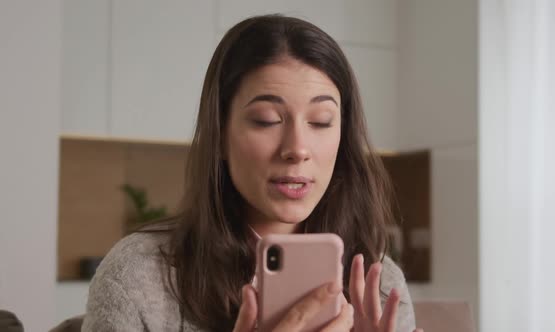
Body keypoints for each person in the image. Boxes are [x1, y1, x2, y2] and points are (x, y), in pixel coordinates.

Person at [82, 14, 423, 332]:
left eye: (320, 122)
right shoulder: (136, 277)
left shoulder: (378, 285)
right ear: (218, 136)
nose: (298, 149)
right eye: (266, 120)